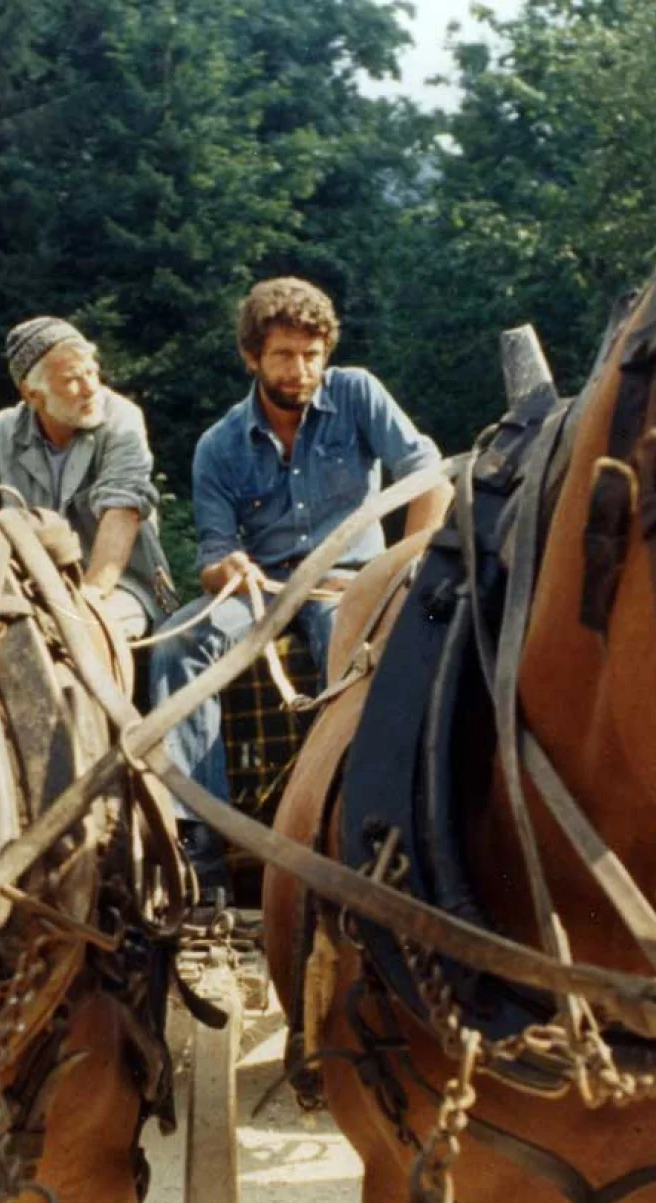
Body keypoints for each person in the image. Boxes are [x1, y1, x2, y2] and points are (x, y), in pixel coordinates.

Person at [148, 277, 444, 892]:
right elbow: (213, 551)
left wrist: (409, 569)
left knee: (352, 650)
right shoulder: (219, 445)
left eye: (312, 354)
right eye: (284, 354)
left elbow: (428, 478)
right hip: (263, 594)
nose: (301, 368)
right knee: (176, 639)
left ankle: (364, 830)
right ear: (252, 357)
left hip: (352, 585)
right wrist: (227, 569)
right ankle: (197, 841)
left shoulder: (359, 394)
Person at [0, 317, 173, 640]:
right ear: (33, 394)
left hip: (128, 586)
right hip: (29, 593)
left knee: (85, 635)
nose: (91, 388)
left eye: (91, 372)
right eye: (72, 380)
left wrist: (87, 598)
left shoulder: (122, 418)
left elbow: (123, 511)